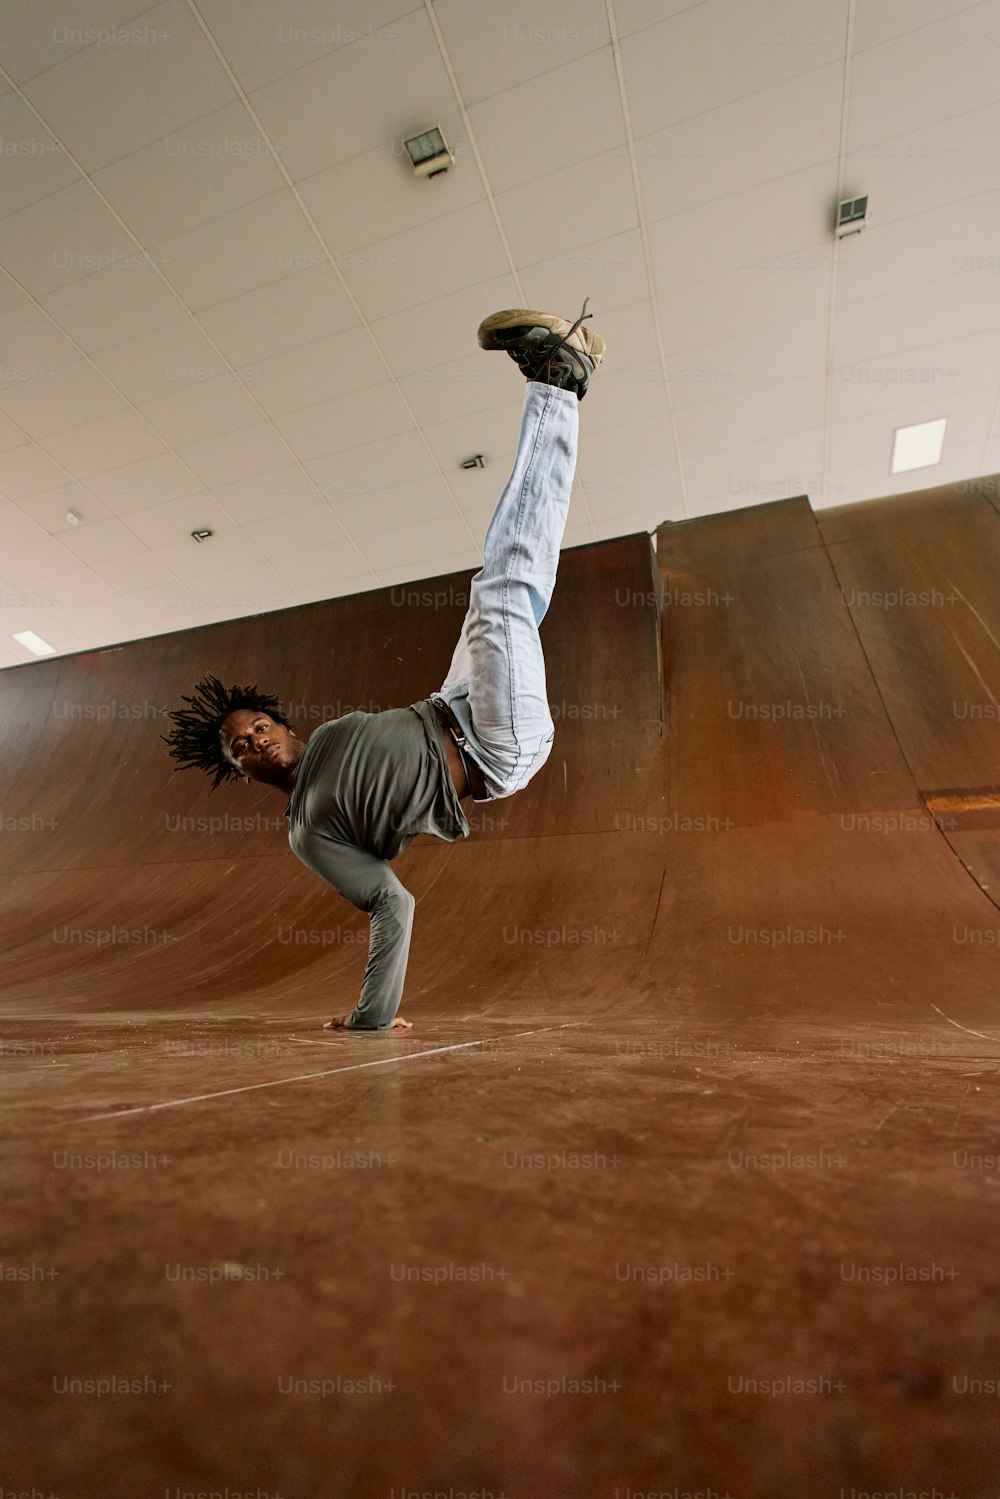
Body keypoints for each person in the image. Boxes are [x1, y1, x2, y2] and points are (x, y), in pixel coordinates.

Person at [162, 303, 605, 1032]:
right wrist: (372, 1017)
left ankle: (569, 374)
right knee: (503, 590)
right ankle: (559, 384)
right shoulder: (308, 829)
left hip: (451, 702)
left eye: (257, 726)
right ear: (239, 772)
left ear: (281, 721)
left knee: (506, 587)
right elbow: (391, 902)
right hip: (494, 748)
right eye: (239, 748)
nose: (252, 741)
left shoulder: (330, 736)